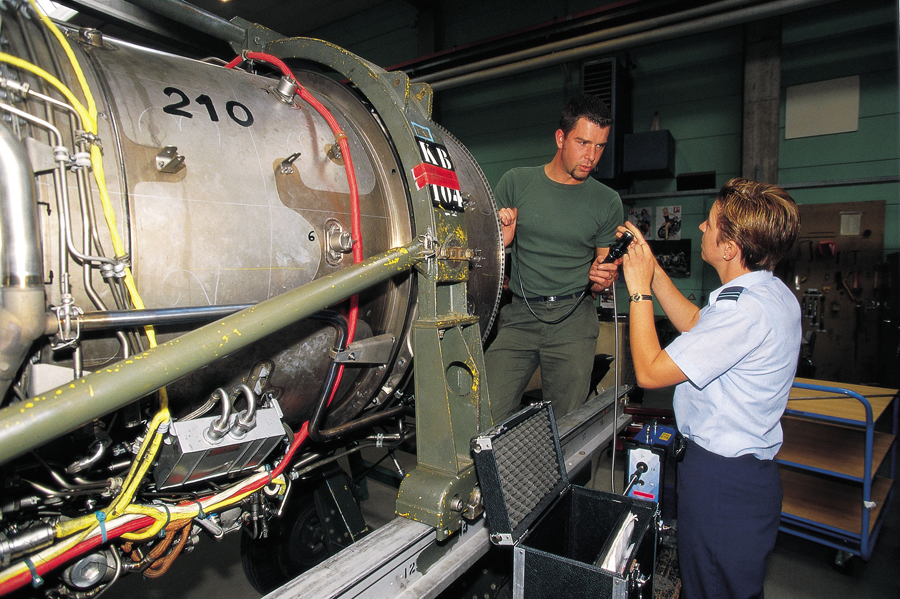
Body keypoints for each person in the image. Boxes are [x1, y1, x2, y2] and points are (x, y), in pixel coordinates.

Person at [607, 178, 801, 599]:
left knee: (711, 588)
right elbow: (698, 326)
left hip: (722, 482)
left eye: (710, 223)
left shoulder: (744, 312)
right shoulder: (768, 294)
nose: (700, 229)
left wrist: (638, 291)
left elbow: (651, 373)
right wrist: (652, 268)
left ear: (730, 247)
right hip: (743, 478)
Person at [485, 95, 624, 423]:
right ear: (560, 138)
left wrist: (604, 278)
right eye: (583, 142)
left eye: (600, 146)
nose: (591, 156)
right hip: (520, 315)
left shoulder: (607, 201)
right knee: (485, 411)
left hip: (574, 319)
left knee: (565, 427)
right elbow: (484, 261)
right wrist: (501, 243)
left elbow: (603, 274)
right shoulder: (516, 183)